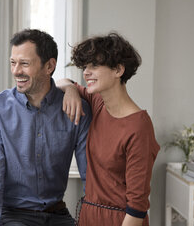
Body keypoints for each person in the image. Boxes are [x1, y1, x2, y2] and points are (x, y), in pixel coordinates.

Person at [0, 29, 91, 226]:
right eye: (13, 63)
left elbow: (89, 178)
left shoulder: (76, 110)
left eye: (25, 64)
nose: (16, 71)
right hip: (13, 216)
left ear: (49, 66)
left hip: (58, 215)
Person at [57, 33, 160, 226]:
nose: (86, 72)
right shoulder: (98, 103)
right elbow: (62, 82)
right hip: (89, 215)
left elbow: (137, 208)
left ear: (118, 70)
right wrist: (71, 91)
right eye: (85, 67)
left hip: (121, 220)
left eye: (94, 66)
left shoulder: (139, 127)